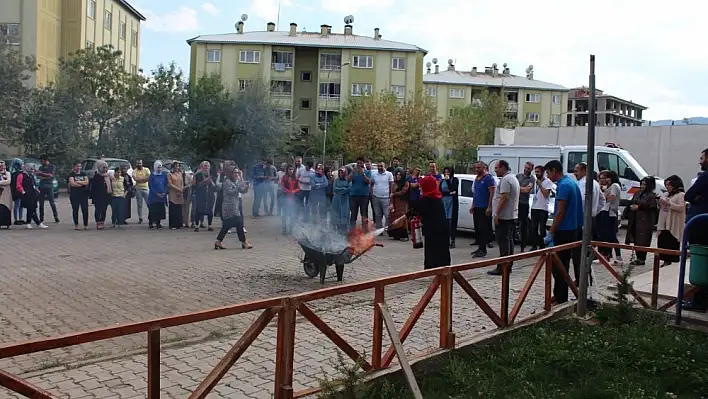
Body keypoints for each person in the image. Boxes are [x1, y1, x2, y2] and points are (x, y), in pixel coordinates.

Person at [545, 160, 583, 304]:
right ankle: (560, 294)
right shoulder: (571, 182)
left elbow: (560, 212)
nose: (548, 177)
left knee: (558, 266)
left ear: (554, 170)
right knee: (563, 264)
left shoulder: (563, 186)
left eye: (548, 172)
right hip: (572, 228)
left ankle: (560, 297)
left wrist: (551, 232)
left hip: (564, 230)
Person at [683, 149, 708, 312]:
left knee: (700, 263)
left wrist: (697, 198)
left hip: (700, 226)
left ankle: (699, 301)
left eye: (702, 158)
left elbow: (688, 195)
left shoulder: (705, 177)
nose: (700, 161)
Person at [411, 176, 451, 269]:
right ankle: (444, 272)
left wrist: (399, 220)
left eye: (422, 186)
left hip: (433, 230)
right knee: (443, 252)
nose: (420, 188)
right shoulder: (437, 196)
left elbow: (413, 211)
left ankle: (434, 273)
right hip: (442, 229)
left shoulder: (426, 200)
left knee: (432, 252)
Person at [488, 160, 520, 276]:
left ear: (503, 168)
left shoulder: (506, 180)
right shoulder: (512, 178)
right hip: (511, 215)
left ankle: (503, 267)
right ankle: (508, 265)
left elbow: (504, 197)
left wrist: (497, 214)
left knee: (503, 242)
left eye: (496, 168)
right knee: (508, 241)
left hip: (505, 217)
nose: (495, 170)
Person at [215, 166, 252, 250]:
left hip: (234, 206)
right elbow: (229, 192)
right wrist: (239, 187)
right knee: (239, 222)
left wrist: (246, 187)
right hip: (229, 207)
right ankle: (244, 242)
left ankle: (218, 241)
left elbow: (241, 191)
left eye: (237, 172)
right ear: (230, 173)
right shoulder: (227, 181)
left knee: (227, 226)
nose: (236, 174)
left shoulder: (235, 181)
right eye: (235, 172)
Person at [626, 176, 658, 266]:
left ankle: (642, 258)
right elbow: (633, 201)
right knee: (636, 239)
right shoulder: (637, 193)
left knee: (643, 240)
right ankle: (638, 257)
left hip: (646, 220)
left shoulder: (651, 195)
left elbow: (652, 207)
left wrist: (639, 207)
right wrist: (632, 207)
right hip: (636, 219)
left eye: (645, 184)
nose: (642, 186)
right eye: (642, 184)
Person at [657, 175, 685, 267]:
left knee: (671, 241)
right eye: (666, 185)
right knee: (663, 240)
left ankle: (670, 260)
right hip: (664, 222)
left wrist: (669, 204)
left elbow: (681, 208)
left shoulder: (681, 195)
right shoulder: (665, 194)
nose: (667, 187)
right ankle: (664, 260)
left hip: (673, 222)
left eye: (669, 185)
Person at [471, 161, 496, 258]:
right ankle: (480, 248)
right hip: (477, 206)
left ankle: (483, 249)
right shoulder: (477, 178)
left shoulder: (488, 178)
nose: (477, 169)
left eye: (479, 168)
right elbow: (475, 193)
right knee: (478, 228)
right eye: (476, 168)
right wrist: (473, 205)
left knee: (483, 228)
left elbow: (491, 192)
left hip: (484, 207)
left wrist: (489, 206)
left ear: (483, 168)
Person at [598, 170, 623, 264]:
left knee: (611, 235)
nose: (606, 180)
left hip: (610, 212)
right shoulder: (608, 187)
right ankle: (606, 255)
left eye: (607, 177)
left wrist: (604, 194)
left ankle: (618, 256)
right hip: (605, 211)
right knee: (606, 235)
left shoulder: (614, 186)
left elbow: (611, 197)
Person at [530, 165, 553, 250]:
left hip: (543, 208)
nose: (536, 174)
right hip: (534, 207)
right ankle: (534, 246)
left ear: (543, 172)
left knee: (542, 228)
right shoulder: (535, 181)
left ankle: (542, 245)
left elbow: (546, 194)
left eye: (538, 172)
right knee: (533, 227)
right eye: (535, 172)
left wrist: (540, 185)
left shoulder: (548, 182)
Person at [17, 163, 46, 229]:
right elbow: (18, 185)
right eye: (31, 169)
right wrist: (22, 191)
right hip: (26, 194)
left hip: (33, 194)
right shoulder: (21, 175)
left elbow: (34, 184)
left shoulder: (31, 176)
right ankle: (38, 223)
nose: (33, 170)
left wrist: (36, 189)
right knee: (31, 208)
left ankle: (29, 223)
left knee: (31, 208)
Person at [516, 161, 536, 252]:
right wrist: (520, 189)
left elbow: (527, 190)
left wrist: (517, 188)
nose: (526, 169)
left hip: (524, 204)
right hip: (516, 203)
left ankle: (523, 246)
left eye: (529, 168)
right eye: (526, 167)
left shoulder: (532, 179)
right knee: (514, 223)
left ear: (531, 169)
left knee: (524, 225)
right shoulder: (518, 176)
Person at [193, 161, 216, 232]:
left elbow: (215, 187)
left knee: (210, 210)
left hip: (210, 195)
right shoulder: (197, 175)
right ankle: (197, 226)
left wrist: (211, 182)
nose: (207, 167)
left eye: (208, 166)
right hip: (201, 195)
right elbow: (195, 186)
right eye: (205, 166)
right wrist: (204, 181)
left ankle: (210, 225)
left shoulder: (212, 175)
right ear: (202, 167)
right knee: (198, 210)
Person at [348, 157, 371, 227]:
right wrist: (352, 172)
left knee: (364, 214)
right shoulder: (353, 172)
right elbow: (348, 180)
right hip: (353, 196)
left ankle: (365, 231)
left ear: (363, 164)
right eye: (358, 163)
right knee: (353, 214)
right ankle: (352, 231)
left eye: (361, 163)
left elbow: (368, 181)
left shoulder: (367, 172)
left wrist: (363, 174)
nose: (359, 164)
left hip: (364, 196)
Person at [388, 168, 410, 241]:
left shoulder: (406, 183)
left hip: (403, 202)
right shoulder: (394, 184)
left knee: (402, 217)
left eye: (400, 175)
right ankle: (396, 234)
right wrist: (391, 204)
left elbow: (403, 192)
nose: (398, 176)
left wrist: (394, 194)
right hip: (395, 202)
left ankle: (404, 235)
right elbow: (391, 194)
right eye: (397, 175)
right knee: (394, 217)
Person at [36, 155, 59, 223]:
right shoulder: (41, 167)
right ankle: (41, 218)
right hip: (42, 186)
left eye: (42, 161)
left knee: (52, 203)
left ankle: (56, 217)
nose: (41, 162)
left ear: (45, 160)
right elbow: (39, 177)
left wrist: (42, 174)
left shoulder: (52, 166)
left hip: (49, 186)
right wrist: (45, 176)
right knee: (41, 203)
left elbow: (51, 175)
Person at [371, 162, 394, 229]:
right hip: (376, 197)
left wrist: (391, 196)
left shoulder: (389, 174)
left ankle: (387, 228)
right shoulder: (374, 174)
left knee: (387, 215)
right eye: (378, 166)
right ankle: (379, 229)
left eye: (381, 166)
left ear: (385, 166)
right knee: (377, 215)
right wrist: (372, 194)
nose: (379, 167)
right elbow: (371, 184)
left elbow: (391, 186)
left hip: (386, 198)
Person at [440, 167, 459, 248]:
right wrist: (449, 192)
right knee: (445, 222)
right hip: (444, 202)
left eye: (448, 172)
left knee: (452, 222)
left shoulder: (455, 180)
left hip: (452, 202)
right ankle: (445, 240)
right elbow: (440, 191)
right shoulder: (442, 181)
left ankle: (452, 241)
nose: (446, 173)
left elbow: (453, 189)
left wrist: (448, 181)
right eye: (445, 172)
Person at [68, 162, 90, 230]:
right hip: (74, 194)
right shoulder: (71, 174)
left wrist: (78, 182)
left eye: (80, 166)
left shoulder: (83, 173)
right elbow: (72, 184)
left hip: (83, 194)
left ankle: (85, 225)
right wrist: (82, 184)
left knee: (85, 210)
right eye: (77, 166)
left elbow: (87, 182)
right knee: (75, 209)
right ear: (74, 167)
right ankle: (76, 225)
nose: (79, 168)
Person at [90, 160, 111, 230]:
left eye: (106, 168)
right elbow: (93, 188)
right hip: (98, 197)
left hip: (106, 196)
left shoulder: (108, 176)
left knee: (104, 210)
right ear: (100, 168)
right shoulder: (96, 176)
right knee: (98, 210)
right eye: (103, 168)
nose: (105, 169)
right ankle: (98, 222)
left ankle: (102, 222)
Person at [148, 161, 168, 229]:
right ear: (155, 167)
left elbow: (166, 185)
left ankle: (158, 223)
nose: (160, 168)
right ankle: (151, 223)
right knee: (153, 209)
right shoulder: (152, 176)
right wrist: (156, 193)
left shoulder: (163, 175)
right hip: (154, 196)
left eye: (160, 167)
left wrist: (164, 192)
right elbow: (151, 186)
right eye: (158, 167)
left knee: (160, 210)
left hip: (162, 196)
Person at [280, 165, 299, 235]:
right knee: (284, 215)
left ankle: (291, 229)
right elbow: (282, 187)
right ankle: (284, 229)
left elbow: (298, 187)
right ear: (287, 170)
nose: (291, 170)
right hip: (285, 198)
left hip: (293, 199)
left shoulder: (296, 178)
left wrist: (294, 191)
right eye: (289, 169)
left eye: (292, 169)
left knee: (292, 215)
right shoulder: (284, 178)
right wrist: (288, 191)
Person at [331, 168, 351, 234]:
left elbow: (349, 189)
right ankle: (336, 228)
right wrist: (343, 188)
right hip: (336, 199)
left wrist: (340, 189)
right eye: (339, 173)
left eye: (342, 172)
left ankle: (344, 230)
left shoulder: (348, 180)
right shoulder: (336, 180)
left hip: (345, 199)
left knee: (344, 213)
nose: (340, 174)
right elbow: (334, 189)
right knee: (336, 213)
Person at [167, 161, 185, 229]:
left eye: (178, 166)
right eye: (175, 166)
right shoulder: (169, 174)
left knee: (179, 209)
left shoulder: (180, 173)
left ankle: (179, 224)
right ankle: (172, 225)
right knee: (173, 209)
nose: (177, 167)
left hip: (180, 193)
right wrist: (178, 189)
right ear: (173, 167)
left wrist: (181, 190)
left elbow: (182, 183)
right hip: (173, 193)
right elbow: (170, 184)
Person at [132, 159, 150, 224]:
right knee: (139, 205)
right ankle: (140, 217)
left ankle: (151, 216)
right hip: (138, 189)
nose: (138, 164)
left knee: (149, 204)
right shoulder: (134, 171)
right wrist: (144, 179)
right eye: (137, 163)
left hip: (146, 189)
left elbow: (148, 178)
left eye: (140, 163)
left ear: (142, 163)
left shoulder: (146, 169)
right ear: (136, 164)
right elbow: (135, 179)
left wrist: (140, 179)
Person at [0, 160, 11, 228]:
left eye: (3, 165)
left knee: (6, 207)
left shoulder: (8, 173)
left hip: (6, 192)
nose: (2, 167)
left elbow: (8, 181)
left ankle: (7, 223)